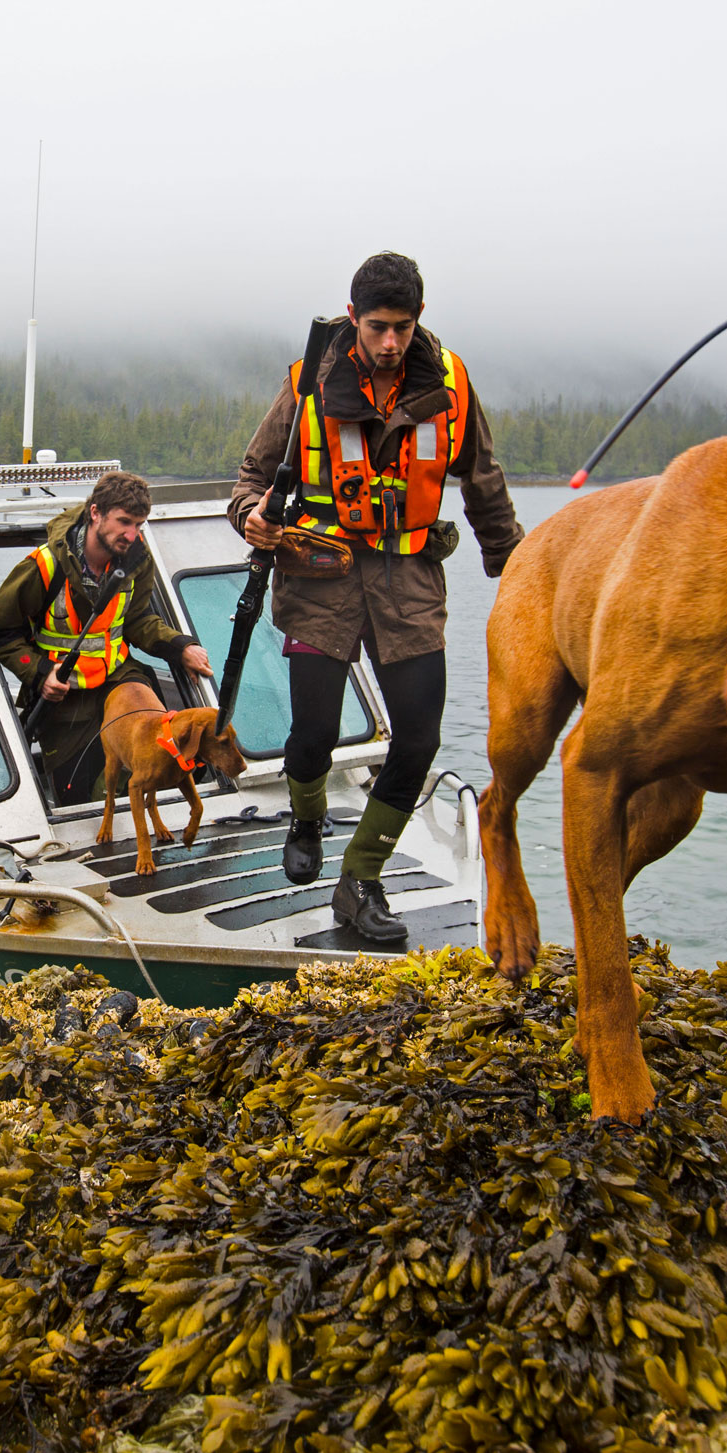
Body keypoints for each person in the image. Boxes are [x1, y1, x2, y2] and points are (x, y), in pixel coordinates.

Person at [229, 252, 525, 942]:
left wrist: (510, 562)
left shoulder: (449, 384)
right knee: (313, 739)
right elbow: (249, 476)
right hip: (319, 582)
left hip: (409, 587)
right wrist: (250, 513)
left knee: (418, 739)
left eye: (401, 327)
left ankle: (359, 879)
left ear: (419, 319)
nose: (390, 343)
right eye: (377, 327)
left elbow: (482, 478)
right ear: (353, 316)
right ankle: (305, 815)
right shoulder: (307, 384)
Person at [0, 471, 213, 802]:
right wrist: (38, 673)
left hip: (120, 678)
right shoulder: (43, 567)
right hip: (64, 699)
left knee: (166, 756)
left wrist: (180, 646)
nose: (131, 534)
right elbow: (0, 631)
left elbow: (137, 620)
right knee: (74, 795)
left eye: (138, 524)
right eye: (123, 522)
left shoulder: (138, 560)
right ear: (95, 513)